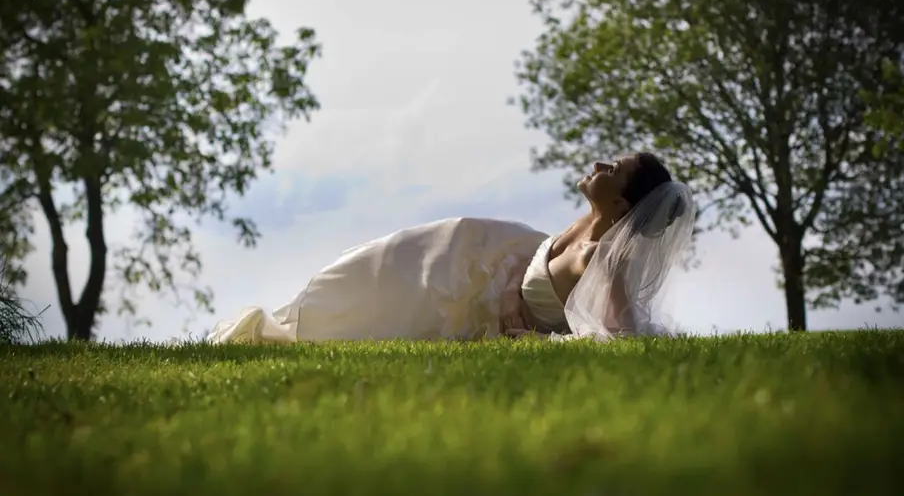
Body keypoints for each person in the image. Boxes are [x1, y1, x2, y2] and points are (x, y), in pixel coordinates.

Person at [207, 152, 695, 344]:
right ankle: (318, 306)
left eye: (614, 169)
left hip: (477, 305)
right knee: (390, 261)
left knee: (394, 303)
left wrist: (541, 340)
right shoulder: (585, 223)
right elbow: (540, 267)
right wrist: (512, 288)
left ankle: (314, 326)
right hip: (483, 259)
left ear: (621, 202)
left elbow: (621, 337)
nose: (601, 164)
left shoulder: (603, 262)